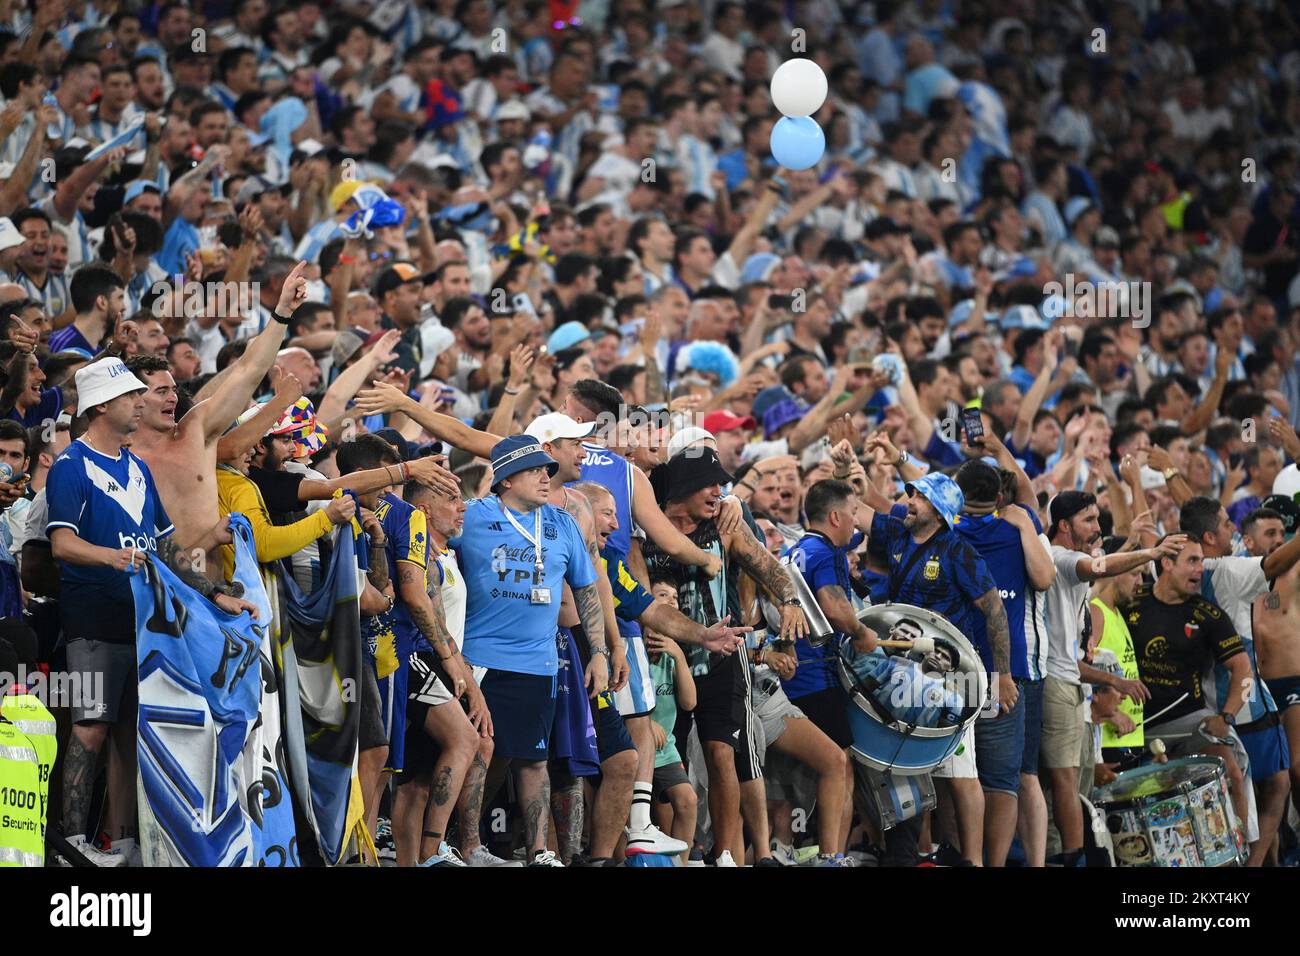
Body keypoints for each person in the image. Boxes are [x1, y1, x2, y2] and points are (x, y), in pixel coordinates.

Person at [47, 357, 252, 866]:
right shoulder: (71, 467)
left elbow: (166, 548)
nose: (142, 402)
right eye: (129, 397)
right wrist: (112, 557)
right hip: (92, 618)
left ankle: (120, 842)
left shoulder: (136, 466)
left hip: (145, 622)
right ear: (100, 406)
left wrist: (213, 593)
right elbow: (61, 545)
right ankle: (71, 843)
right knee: (89, 726)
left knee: (127, 733)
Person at [644, 446, 809, 866]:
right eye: (710, 483)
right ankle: (669, 852)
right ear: (683, 486)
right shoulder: (647, 525)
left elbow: (768, 566)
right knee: (667, 759)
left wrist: (789, 600)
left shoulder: (726, 526)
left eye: (722, 485)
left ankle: (727, 854)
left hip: (722, 660)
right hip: (664, 658)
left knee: (723, 754)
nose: (719, 491)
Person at [452, 435, 609, 867]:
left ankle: (540, 851)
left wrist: (598, 651)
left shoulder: (561, 524)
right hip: (479, 659)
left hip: (538, 662)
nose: (546, 477)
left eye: (547, 469)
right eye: (535, 470)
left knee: (534, 760)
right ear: (504, 480)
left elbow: (587, 589)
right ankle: (468, 847)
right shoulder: (472, 518)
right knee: (480, 757)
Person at [335, 435, 478, 868]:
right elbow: (414, 595)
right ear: (386, 467)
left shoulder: (330, 502)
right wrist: (450, 660)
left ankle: (372, 853)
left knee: (368, 759)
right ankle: (366, 855)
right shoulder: (406, 516)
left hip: (333, 646)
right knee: (380, 762)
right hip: (392, 651)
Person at [1039, 490, 1184, 866]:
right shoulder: (1059, 558)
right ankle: (1067, 859)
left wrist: (1134, 539)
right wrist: (1151, 552)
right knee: (1064, 785)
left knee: (1074, 786)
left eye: (1097, 519)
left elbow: (1102, 564)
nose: (1096, 527)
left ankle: (1075, 855)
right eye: (1088, 520)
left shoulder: (1075, 565)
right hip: (1056, 683)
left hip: (1069, 683)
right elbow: (1101, 570)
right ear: (1064, 526)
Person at [1126, 537, 1254, 840]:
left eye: (1201, 561)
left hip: (1189, 721)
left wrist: (1227, 717)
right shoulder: (1132, 600)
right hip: (1134, 724)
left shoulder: (1208, 615)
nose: (1200, 569)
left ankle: (1238, 849)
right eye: (1192, 561)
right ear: (1166, 563)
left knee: (1231, 770)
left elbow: (1244, 671)